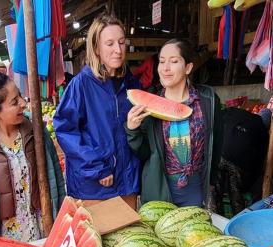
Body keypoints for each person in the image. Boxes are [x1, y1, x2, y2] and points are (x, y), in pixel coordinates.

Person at [53, 14, 141, 209]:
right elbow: (65, 130)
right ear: (96, 49)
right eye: (109, 44)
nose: (118, 50)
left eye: (121, 42)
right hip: (95, 185)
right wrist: (96, 168)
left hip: (127, 182)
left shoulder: (132, 84)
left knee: (130, 238)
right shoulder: (81, 84)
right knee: (98, 238)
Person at [0, 60, 66, 241]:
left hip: (43, 225)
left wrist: (62, 214)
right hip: (5, 237)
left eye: (20, 96)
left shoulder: (35, 128)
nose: (24, 103)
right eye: (15, 102)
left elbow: (55, 173)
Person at [125, 38, 223, 207]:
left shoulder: (208, 100)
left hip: (195, 189)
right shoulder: (149, 103)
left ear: (188, 67)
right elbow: (145, 154)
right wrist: (132, 130)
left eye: (174, 61)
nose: (165, 68)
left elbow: (216, 144)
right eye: (162, 62)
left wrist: (212, 181)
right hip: (159, 190)